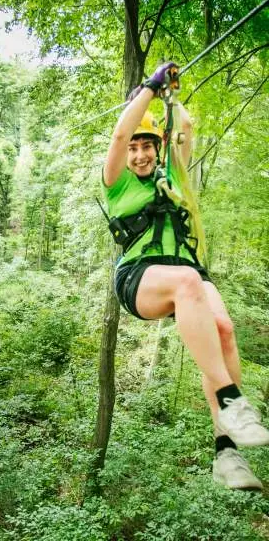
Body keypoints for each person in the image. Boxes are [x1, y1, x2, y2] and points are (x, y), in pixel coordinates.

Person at [102, 62, 269, 490]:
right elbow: (119, 135)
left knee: (225, 331)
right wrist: (150, 88)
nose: (139, 153)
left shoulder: (172, 176)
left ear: (157, 147)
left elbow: (187, 129)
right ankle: (232, 399)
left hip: (188, 272)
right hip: (139, 277)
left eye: (147, 146)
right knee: (189, 283)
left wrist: (174, 96)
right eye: (134, 147)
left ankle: (226, 454)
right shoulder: (117, 182)